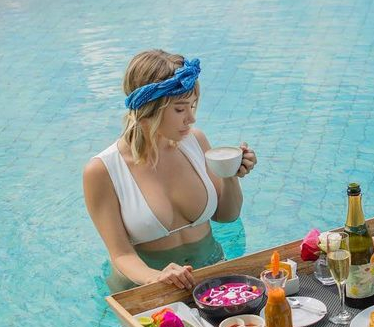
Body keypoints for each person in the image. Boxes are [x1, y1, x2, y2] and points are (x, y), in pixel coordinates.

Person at [84, 49, 257, 294]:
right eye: (180, 109)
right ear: (149, 108)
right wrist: (157, 277)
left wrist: (231, 175)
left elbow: (227, 215)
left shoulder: (195, 142)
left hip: (211, 273)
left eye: (193, 106)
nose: (191, 118)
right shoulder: (102, 170)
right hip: (146, 290)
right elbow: (121, 254)